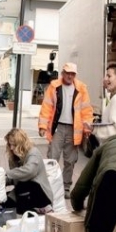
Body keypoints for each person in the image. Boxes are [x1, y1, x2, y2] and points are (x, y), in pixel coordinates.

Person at [38, 62, 94, 198]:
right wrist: (42, 126)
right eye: (67, 73)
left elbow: (86, 110)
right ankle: (51, 186)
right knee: (53, 158)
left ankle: (66, 187)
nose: (70, 76)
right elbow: (46, 107)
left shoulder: (81, 88)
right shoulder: (54, 87)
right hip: (57, 128)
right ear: (62, 73)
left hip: (74, 129)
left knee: (70, 160)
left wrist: (87, 128)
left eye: (72, 74)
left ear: (75, 75)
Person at [3, 128, 54, 214]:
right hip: (22, 191)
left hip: (39, 193)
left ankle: (42, 207)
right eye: (10, 144)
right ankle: (28, 210)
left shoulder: (33, 153)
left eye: (14, 145)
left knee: (24, 185)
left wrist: (6, 173)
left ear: (20, 144)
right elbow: (15, 177)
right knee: (4, 202)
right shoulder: (13, 158)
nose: (11, 148)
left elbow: (29, 172)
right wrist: (0, 180)